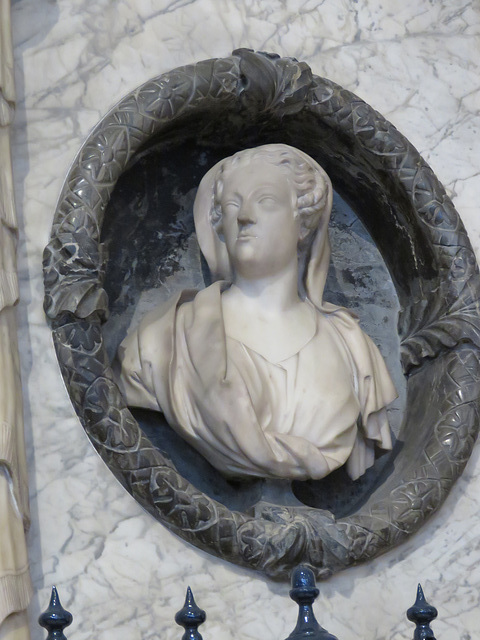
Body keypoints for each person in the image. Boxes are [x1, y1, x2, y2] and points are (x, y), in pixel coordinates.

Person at [117, 144, 397, 481]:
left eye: (265, 202)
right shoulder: (161, 343)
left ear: (304, 222)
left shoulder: (354, 350)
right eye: (233, 204)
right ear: (219, 224)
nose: (244, 216)